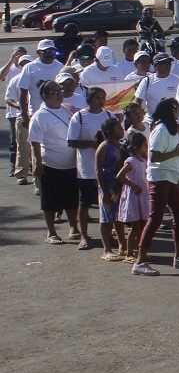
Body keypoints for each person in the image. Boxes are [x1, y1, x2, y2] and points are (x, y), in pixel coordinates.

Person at [134, 98, 179, 275]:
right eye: (177, 108)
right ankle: (140, 261)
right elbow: (154, 157)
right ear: (172, 110)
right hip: (159, 177)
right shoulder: (160, 129)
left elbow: (171, 152)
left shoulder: (173, 129)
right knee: (155, 218)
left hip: (172, 176)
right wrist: (178, 152)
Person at [29, 80, 79, 244]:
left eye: (60, 91)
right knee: (49, 201)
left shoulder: (66, 110)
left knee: (71, 198)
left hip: (70, 163)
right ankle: (51, 232)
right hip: (50, 163)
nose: (59, 94)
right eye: (54, 92)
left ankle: (74, 228)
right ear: (45, 96)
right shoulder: (39, 116)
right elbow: (35, 141)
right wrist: (37, 162)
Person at [67, 86, 110, 250]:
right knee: (84, 203)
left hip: (105, 167)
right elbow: (71, 141)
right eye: (98, 97)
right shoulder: (79, 117)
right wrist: (94, 144)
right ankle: (84, 236)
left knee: (106, 202)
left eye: (103, 97)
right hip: (87, 167)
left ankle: (107, 234)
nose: (101, 100)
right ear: (90, 99)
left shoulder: (108, 115)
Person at [94, 116, 130, 260]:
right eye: (118, 127)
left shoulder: (121, 146)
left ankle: (123, 246)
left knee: (119, 217)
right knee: (106, 218)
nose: (122, 129)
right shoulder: (104, 146)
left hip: (119, 186)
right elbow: (98, 170)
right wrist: (104, 190)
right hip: (107, 186)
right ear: (109, 131)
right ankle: (107, 249)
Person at [115, 132, 150, 262]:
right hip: (133, 196)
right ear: (136, 147)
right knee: (135, 226)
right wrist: (134, 186)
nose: (146, 148)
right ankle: (129, 252)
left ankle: (140, 251)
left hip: (141, 195)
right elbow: (120, 176)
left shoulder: (143, 160)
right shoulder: (131, 161)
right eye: (144, 145)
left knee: (142, 225)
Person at [5, 51, 34, 184]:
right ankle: (21, 174)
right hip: (21, 117)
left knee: (37, 146)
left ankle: (36, 173)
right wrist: (21, 108)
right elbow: (8, 98)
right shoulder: (15, 80)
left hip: (36, 116)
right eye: (22, 64)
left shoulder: (35, 77)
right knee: (23, 146)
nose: (25, 66)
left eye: (27, 63)